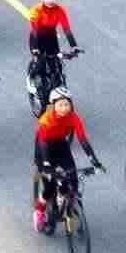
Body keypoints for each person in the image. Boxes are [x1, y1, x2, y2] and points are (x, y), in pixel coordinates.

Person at [32, 86, 102, 233]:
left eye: (67, 104)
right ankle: (40, 211)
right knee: (50, 188)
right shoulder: (46, 120)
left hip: (61, 145)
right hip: (44, 150)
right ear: (53, 105)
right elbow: (43, 145)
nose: (64, 108)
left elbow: (83, 140)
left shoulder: (73, 117)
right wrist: (47, 165)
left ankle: (70, 206)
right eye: (60, 105)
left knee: (73, 180)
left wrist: (93, 160)